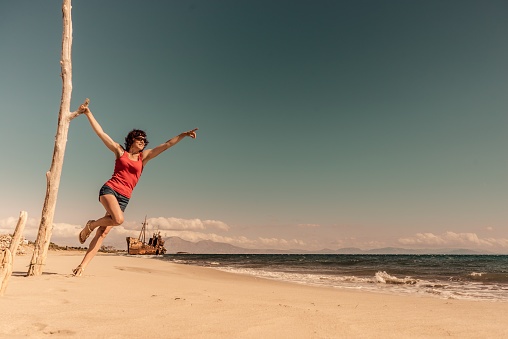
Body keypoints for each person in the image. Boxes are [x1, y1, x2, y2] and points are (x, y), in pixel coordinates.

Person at [72, 104, 197, 276]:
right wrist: (88, 113)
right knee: (118, 219)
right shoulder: (119, 151)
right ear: (131, 139)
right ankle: (91, 224)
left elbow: (167, 144)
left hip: (124, 198)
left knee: (103, 232)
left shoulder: (143, 157)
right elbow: (101, 133)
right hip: (110, 190)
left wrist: (183, 135)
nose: (143, 142)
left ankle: (82, 266)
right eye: (140, 139)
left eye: (145, 140)